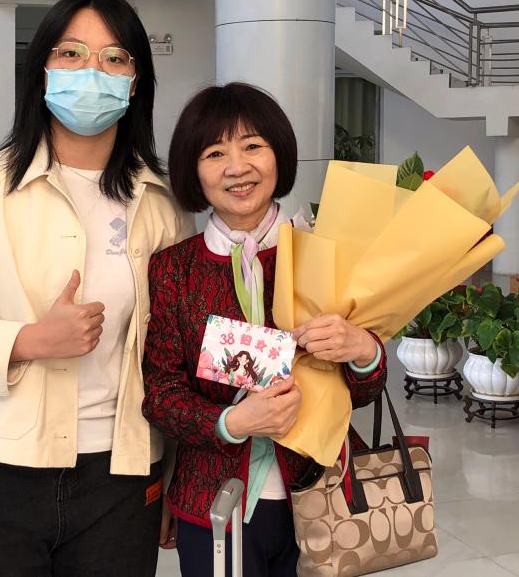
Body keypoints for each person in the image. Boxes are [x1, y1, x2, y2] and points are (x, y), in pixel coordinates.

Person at [0, 0, 192, 577]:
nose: (93, 71)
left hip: (120, 475)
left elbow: (173, 351)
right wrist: (29, 340)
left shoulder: (161, 204)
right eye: (71, 53)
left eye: (115, 58)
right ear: (42, 72)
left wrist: (174, 470)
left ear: (136, 83)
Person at [142, 82, 388, 577]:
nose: (237, 167)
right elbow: (162, 394)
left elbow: (363, 393)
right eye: (215, 153)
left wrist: (364, 350)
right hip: (213, 502)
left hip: (324, 494)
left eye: (253, 145)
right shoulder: (174, 269)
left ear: (279, 155)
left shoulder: (324, 252)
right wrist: (231, 422)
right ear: (194, 170)